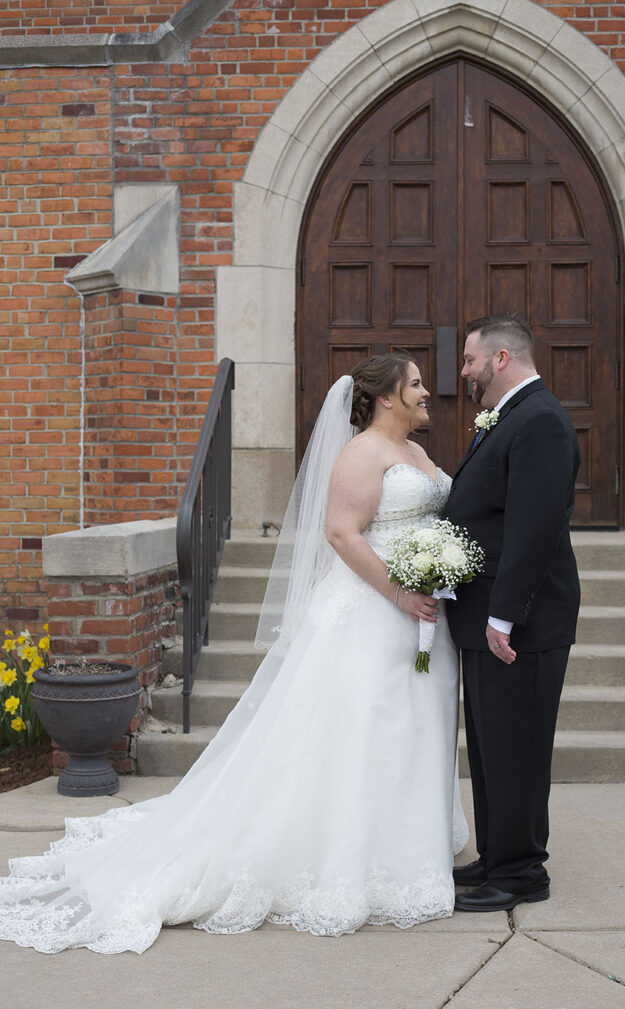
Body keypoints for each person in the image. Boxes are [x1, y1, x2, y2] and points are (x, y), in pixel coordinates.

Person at [0, 354, 468, 954]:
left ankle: (406, 843)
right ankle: (351, 859)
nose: (429, 392)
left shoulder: (420, 454)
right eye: (416, 385)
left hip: (422, 619)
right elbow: (341, 533)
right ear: (385, 398)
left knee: (410, 729)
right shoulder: (362, 453)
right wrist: (401, 592)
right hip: (374, 614)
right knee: (362, 731)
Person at [445, 312, 581, 912]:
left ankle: (524, 871)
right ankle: (499, 855)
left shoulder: (541, 421)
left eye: (471, 360)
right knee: (492, 744)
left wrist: (503, 616)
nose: (465, 372)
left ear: (501, 359)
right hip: (487, 616)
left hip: (518, 621)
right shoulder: (509, 418)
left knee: (519, 744)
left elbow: (535, 526)